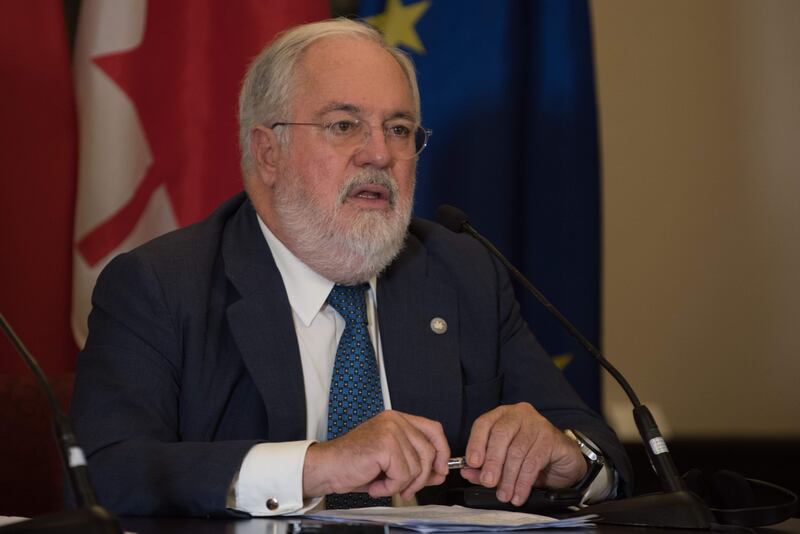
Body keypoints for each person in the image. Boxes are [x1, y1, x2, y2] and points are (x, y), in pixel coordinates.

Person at [70, 18, 631, 517]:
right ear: (267, 152)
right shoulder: (162, 286)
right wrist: (317, 467)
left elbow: (597, 447)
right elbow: (107, 473)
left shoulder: (460, 270)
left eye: (399, 129)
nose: (379, 154)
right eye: (344, 126)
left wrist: (568, 458)